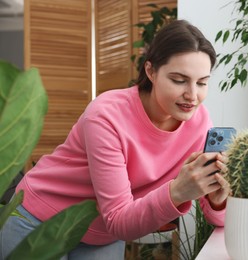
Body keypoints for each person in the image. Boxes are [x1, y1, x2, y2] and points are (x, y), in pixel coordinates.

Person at [0, 19, 230, 259]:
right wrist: (177, 193)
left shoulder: (200, 123)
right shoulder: (107, 114)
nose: (192, 95)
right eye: (179, 80)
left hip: (101, 233)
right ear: (151, 71)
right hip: (39, 218)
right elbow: (119, 218)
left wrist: (218, 200)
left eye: (202, 82)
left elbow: (217, 220)